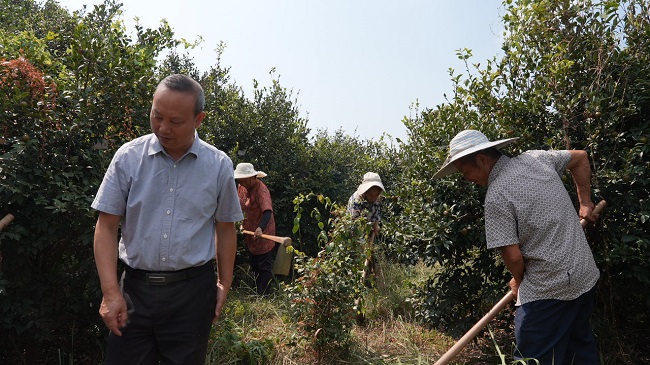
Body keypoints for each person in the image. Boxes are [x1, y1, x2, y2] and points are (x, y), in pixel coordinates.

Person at [91, 74, 243, 365]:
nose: (163, 128)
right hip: (135, 290)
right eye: (156, 116)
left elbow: (225, 228)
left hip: (192, 293)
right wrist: (111, 293)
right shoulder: (128, 157)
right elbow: (106, 226)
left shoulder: (218, 165)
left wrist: (224, 282)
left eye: (175, 121)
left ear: (199, 119)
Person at [433, 129, 600, 365]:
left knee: (533, 359)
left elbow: (512, 256)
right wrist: (585, 202)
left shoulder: (496, 195)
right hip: (584, 275)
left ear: (481, 159)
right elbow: (581, 157)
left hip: (548, 292)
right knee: (579, 352)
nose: (466, 178)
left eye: (464, 170)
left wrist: (520, 282)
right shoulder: (538, 158)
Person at [234, 162, 278, 295]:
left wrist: (260, 228)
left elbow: (267, 211)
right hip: (250, 231)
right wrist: (240, 223)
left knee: (264, 264)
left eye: (245, 179)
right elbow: (239, 206)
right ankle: (257, 290)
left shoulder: (261, 190)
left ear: (253, 177)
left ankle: (264, 294)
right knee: (254, 262)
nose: (243, 182)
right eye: (241, 179)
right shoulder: (241, 186)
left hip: (263, 231)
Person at [347, 172, 385, 237]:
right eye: (371, 194)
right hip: (354, 232)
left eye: (376, 194)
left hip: (368, 228)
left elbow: (375, 223)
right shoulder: (356, 201)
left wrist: (370, 243)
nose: (373, 197)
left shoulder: (377, 200)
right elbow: (354, 227)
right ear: (365, 191)